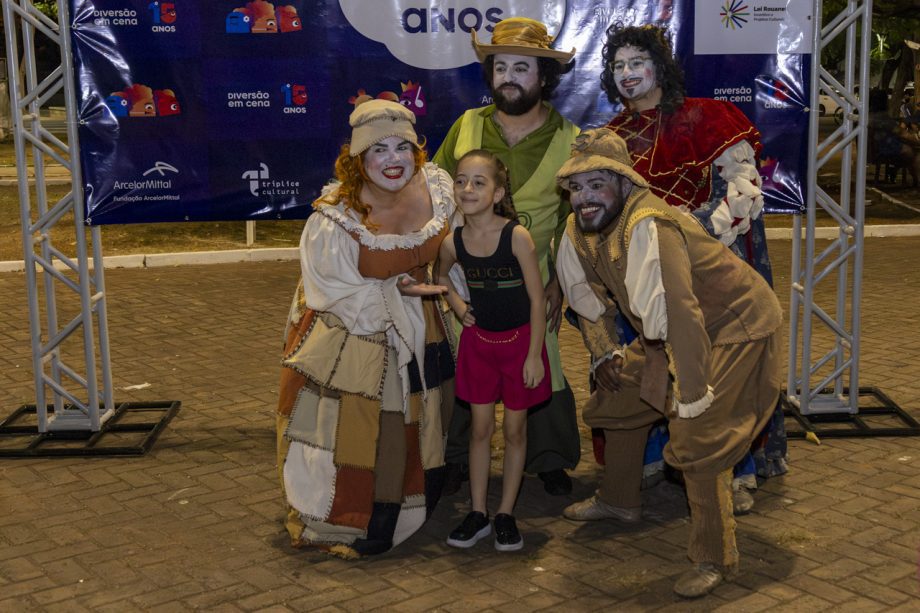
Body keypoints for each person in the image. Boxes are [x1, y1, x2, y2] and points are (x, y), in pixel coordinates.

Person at [554, 128, 783, 597]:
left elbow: (681, 312)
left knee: (699, 436)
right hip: (669, 331)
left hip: (736, 327)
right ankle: (619, 501)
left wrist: (693, 393)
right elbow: (588, 302)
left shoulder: (649, 225)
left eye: (596, 184)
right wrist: (605, 354)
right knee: (617, 393)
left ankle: (714, 556)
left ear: (624, 182)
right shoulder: (579, 230)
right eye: (575, 187)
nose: (584, 197)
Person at [598, 24, 787, 510]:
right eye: (618, 66)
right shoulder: (611, 136)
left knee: (716, 371)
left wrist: (689, 235)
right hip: (641, 274)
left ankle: (731, 472)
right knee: (650, 361)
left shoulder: (706, 116)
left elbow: (741, 192)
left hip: (706, 267)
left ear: (659, 67)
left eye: (637, 62)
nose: (627, 73)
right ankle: (655, 455)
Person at [275, 99, 458, 559]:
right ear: (358, 157)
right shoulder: (333, 215)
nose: (393, 160)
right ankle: (360, 514)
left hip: (425, 320)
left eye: (402, 147)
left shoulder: (438, 188)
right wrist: (398, 291)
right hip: (353, 329)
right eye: (379, 150)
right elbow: (332, 291)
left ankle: (415, 490)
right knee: (361, 427)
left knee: (424, 416)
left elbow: (455, 249)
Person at [433, 16, 581, 496]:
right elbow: (435, 192)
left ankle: (547, 458)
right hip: (469, 282)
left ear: (544, 76)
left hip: (532, 282)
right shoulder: (466, 126)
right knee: (464, 365)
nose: (509, 78)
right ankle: (456, 457)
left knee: (542, 363)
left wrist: (559, 283)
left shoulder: (571, 139)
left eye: (522, 68)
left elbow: (574, 225)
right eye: (500, 68)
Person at [437, 150, 550, 551]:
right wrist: (457, 305)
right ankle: (478, 513)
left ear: (498, 193)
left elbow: (537, 300)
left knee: (515, 431)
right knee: (480, 430)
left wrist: (534, 355)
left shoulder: (516, 236)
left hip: (519, 348)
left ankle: (505, 513)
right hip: (479, 346)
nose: (467, 189)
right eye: (461, 180)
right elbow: (440, 276)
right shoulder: (453, 242)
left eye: (479, 182)